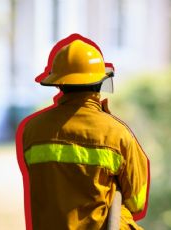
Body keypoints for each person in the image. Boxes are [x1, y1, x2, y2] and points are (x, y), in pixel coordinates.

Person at [16, 34, 150, 230]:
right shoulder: (117, 134)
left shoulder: (32, 130)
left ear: (59, 83)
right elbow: (136, 202)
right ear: (99, 83)